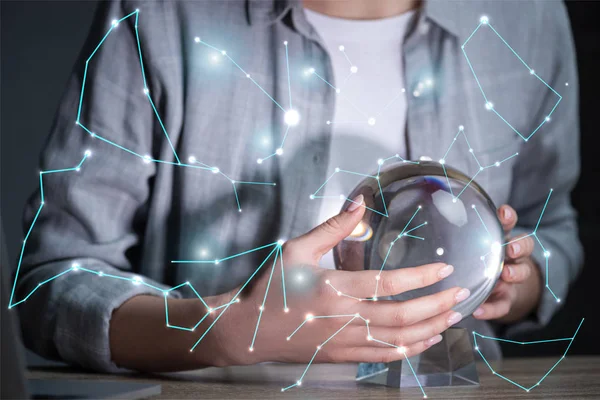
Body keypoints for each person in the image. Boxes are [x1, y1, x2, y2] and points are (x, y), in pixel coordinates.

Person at [15, 0, 581, 374]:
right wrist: (220, 331)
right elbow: (51, 282)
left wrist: (517, 281)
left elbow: (550, 228)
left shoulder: (526, 19)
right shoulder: (161, 16)